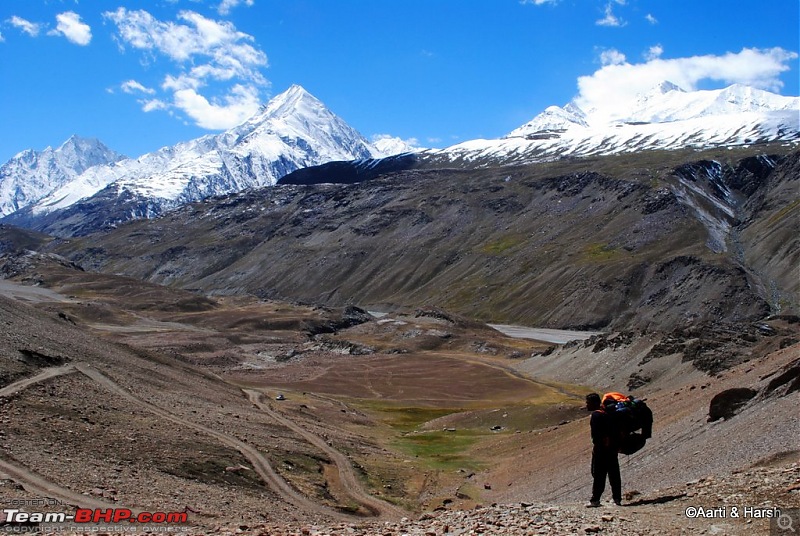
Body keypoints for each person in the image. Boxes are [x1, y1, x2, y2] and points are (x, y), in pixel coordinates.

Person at [585, 393, 622, 507]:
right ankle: (617, 498)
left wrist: (597, 447)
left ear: (594, 403)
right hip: (612, 448)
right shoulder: (608, 413)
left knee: (599, 475)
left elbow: (596, 436)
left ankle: (595, 500)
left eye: (588, 403)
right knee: (614, 473)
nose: (586, 405)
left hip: (602, 450)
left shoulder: (596, 415)